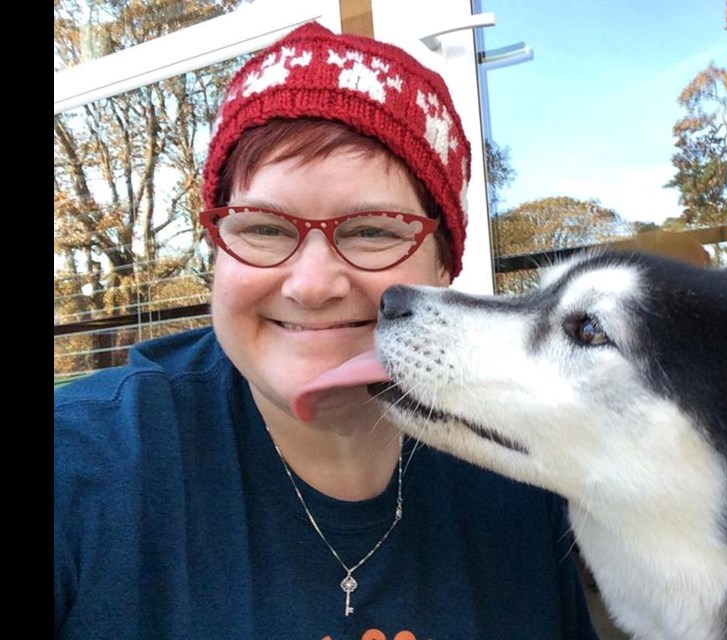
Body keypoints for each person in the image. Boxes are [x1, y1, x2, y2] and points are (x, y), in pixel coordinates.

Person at [54, 21, 599, 640]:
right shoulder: (80, 468)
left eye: (372, 230)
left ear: (445, 264)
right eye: (263, 228)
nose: (311, 285)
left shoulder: (517, 465)